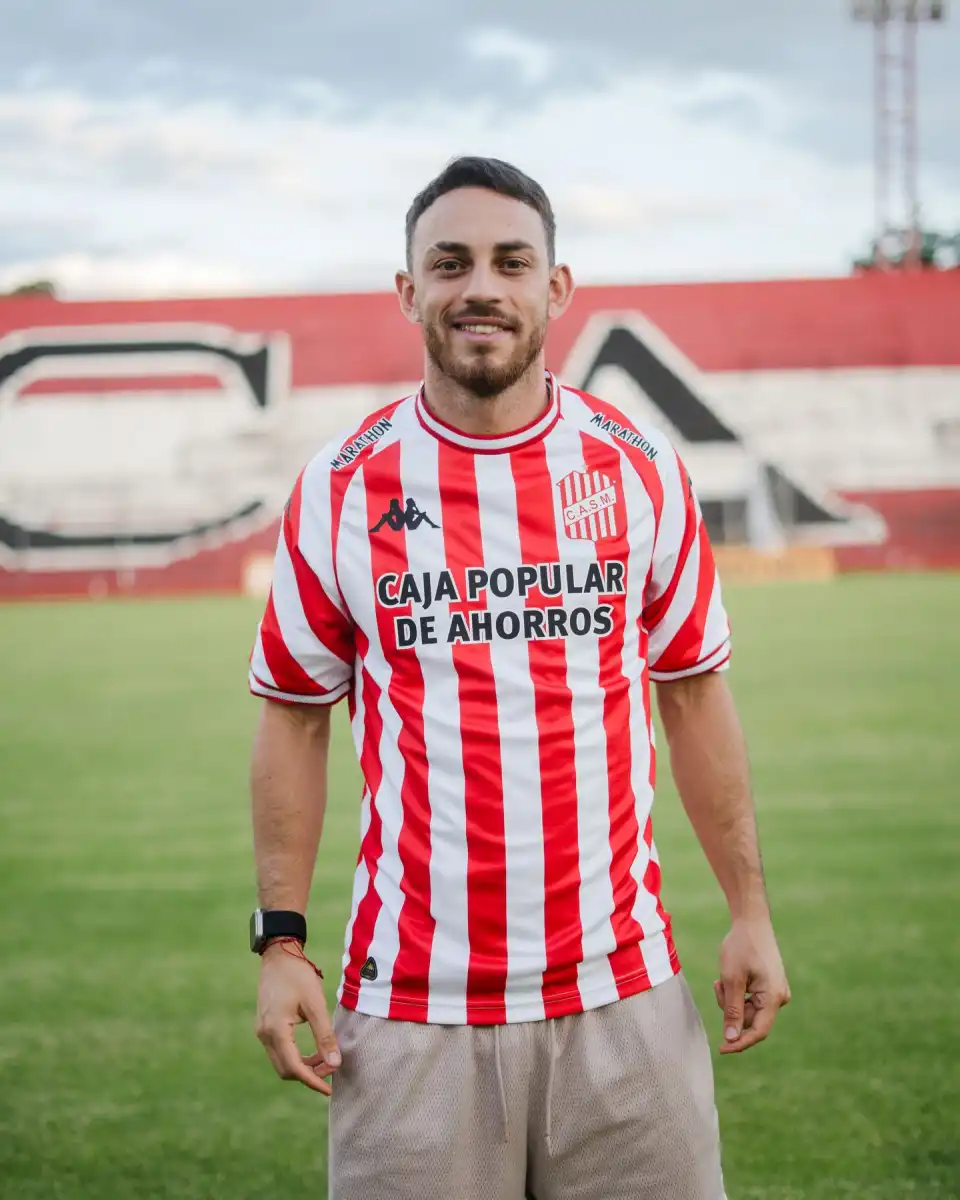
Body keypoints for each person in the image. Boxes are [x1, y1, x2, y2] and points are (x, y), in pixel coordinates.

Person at [247, 155, 790, 1200]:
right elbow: (294, 717)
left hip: (623, 999)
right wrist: (281, 942)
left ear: (556, 286)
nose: (480, 287)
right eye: (448, 264)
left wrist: (750, 910)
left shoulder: (635, 466)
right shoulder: (344, 486)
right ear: (409, 292)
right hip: (410, 1015)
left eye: (511, 261)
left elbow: (692, 692)